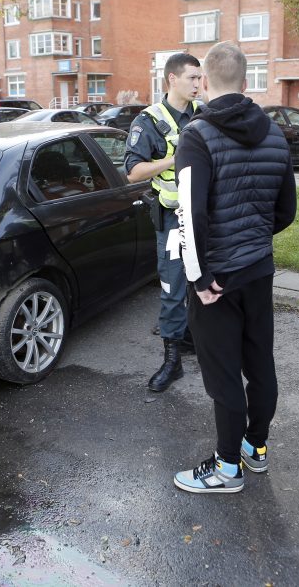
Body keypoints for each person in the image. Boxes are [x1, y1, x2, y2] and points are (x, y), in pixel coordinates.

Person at [172, 41, 296, 493]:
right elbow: (286, 211)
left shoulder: (196, 136)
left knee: (223, 374)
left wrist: (199, 278)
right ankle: (255, 448)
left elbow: (190, 213)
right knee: (260, 362)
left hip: (217, 280)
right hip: (258, 271)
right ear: (246, 82)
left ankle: (227, 469)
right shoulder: (276, 134)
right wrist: (254, 241)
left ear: (204, 82)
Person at [124, 53, 203, 392]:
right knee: (172, 286)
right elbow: (132, 172)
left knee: (201, 282)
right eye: (192, 78)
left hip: (203, 218)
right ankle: (172, 361)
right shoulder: (150, 121)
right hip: (172, 220)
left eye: (201, 78)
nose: (199, 84)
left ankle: (192, 340)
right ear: (173, 79)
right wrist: (175, 156)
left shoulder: (205, 115)